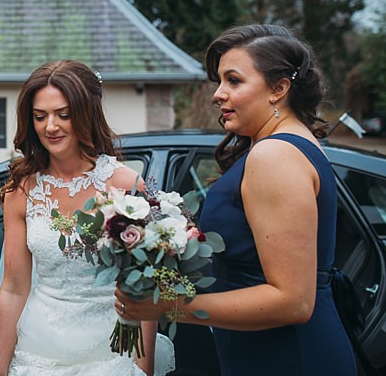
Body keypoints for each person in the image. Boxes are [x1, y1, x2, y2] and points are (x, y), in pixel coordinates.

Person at [115, 24, 355, 375]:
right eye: (219, 82)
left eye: (234, 80)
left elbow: (293, 301)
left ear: (279, 88)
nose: (218, 94)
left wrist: (167, 307)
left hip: (285, 356)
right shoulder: (289, 143)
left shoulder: (274, 156)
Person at [0, 60, 172, 375]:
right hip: (39, 351)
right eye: (40, 116)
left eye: (64, 114)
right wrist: (1, 370)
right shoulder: (21, 191)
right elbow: (14, 287)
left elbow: (143, 288)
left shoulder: (126, 185)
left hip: (113, 349)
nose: (50, 126)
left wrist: (142, 368)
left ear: (86, 114)